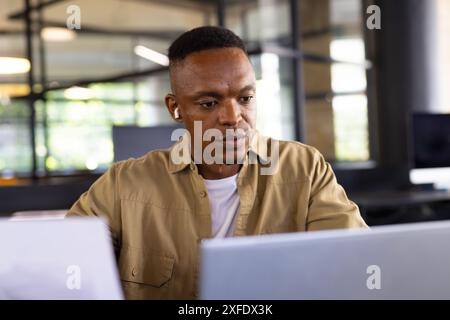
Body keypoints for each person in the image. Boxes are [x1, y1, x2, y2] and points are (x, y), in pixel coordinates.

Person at [66, 26, 368, 299]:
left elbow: (354, 265)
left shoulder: (304, 169)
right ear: (175, 108)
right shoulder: (124, 184)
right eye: (209, 103)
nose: (232, 117)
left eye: (245, 98)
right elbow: (67, 270)